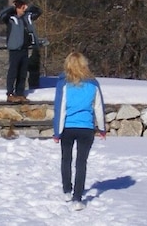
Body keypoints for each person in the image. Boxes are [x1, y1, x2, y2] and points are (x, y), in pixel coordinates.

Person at [52, 52, 106, 211]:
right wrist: (102, 128)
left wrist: (57, 132)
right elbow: (99, 108)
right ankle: (77, 198)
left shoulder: (63, 84)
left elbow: (60, 109)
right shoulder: (93, 84)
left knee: (66, 159)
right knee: (81, 163)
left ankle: (67, 190)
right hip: (87, 128)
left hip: (68, 128)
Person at [0, 0, 41, 102]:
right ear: (16, 8)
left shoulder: (26, 18)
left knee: (22, 73)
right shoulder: (10, 18)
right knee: (13, 72)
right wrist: (12, 7)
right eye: (21, 8)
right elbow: (1, 14)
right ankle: (10, 93)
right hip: (14, 50)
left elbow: (38, 12)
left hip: (24, 49)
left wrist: (29, 7)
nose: (23, 10)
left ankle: (20, 93)